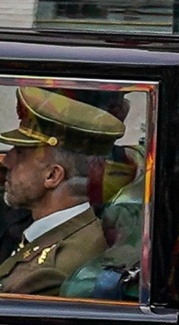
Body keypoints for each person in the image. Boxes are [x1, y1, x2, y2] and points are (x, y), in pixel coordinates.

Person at [0, 89, 123, 296]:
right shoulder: (66, 232)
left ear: (52, 176)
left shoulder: (48, 272)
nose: (6, 161)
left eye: (20, 154)